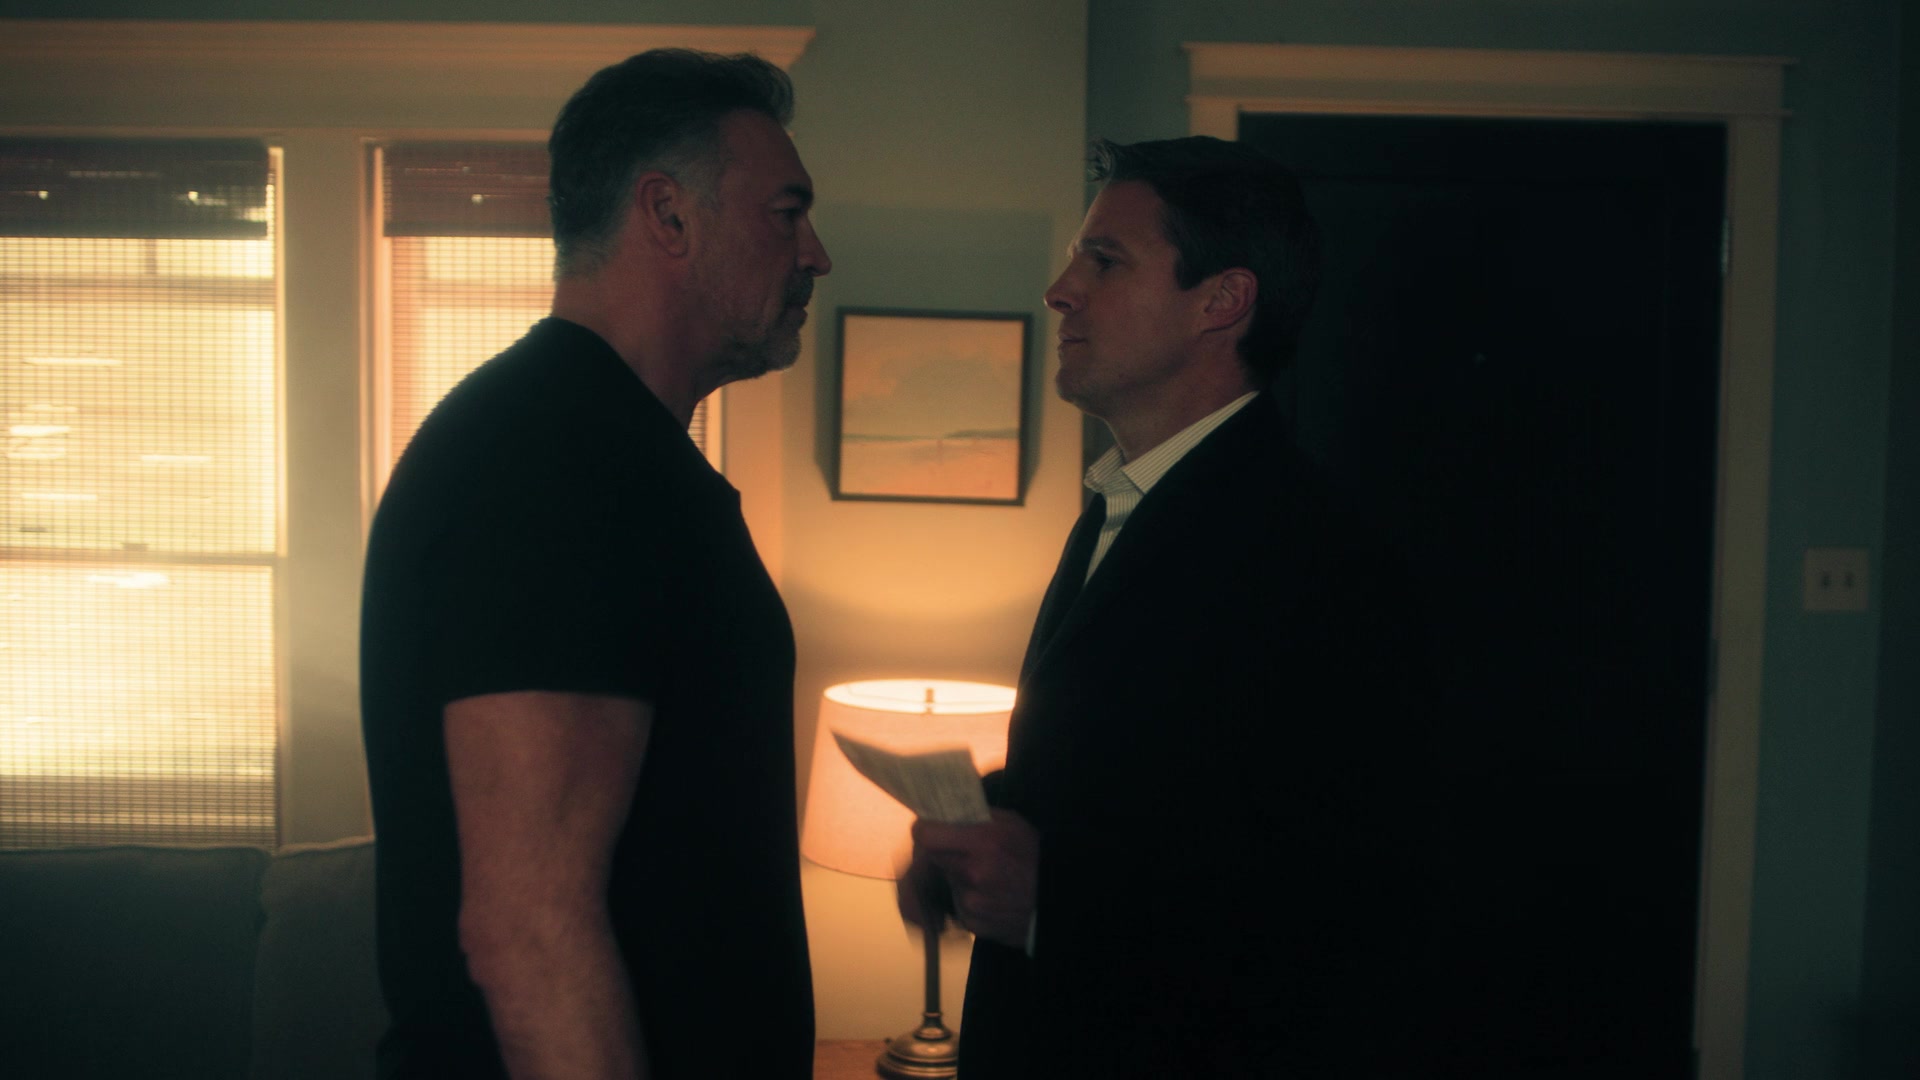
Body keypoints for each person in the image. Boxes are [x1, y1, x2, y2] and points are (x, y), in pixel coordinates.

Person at [898, 136, 1431, 1077]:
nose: (1061, 291)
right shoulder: (1120, 507)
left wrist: (1053, 902)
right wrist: (979, 836)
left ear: (1221, 301)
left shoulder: (1321, 559)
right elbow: (1135, 774)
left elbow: (1339, 897)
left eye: (1104, 260)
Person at [359, 49, 830, 1080]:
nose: (816, 254)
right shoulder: (560, 459)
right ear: (668, 214)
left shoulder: (605, 450)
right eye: (786, 213)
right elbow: (529, 931)